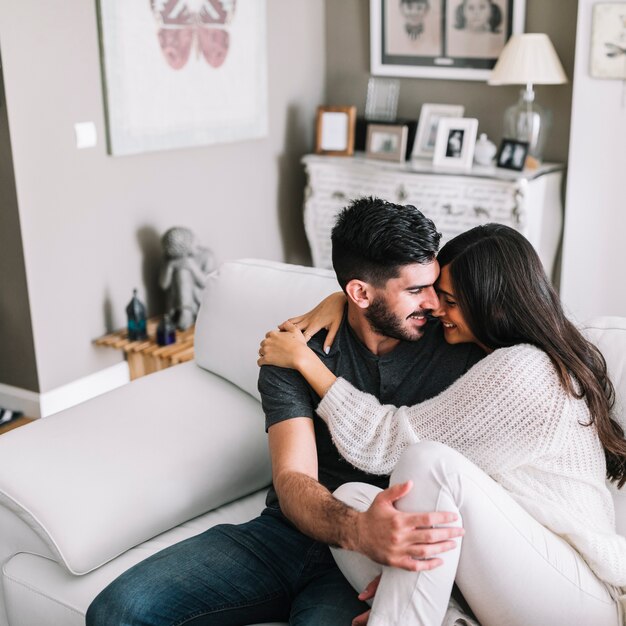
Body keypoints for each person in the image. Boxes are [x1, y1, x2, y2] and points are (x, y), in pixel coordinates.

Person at [85, 197, 483, 626]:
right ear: (360, 293)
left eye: (433, 285)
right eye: (415, 290)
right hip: (286, 536)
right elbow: (293, 479)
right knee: (116, 611)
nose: (435, 303)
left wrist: (386, 556)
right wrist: (356, 529)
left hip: (367, 561)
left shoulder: (459, 346)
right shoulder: (292, 352)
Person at [258, 223, 626, 625]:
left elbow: (387, 442)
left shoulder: (525, 371)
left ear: (489, 304)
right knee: (353, 503)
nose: (433, 308)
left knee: (429, 461)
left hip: (575, 592)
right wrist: (344, 301)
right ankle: (447, 618)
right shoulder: (503, 356)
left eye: (448, 300)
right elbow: (388, 272)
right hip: (500, 576)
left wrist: (306, 362)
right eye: (432, 295)